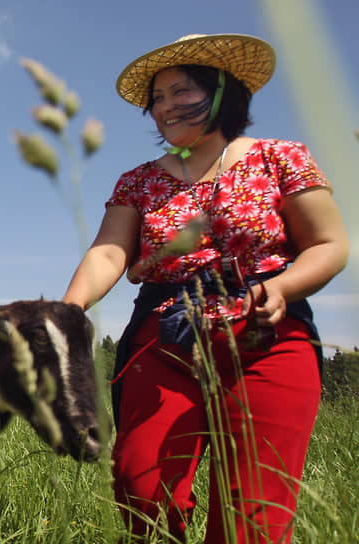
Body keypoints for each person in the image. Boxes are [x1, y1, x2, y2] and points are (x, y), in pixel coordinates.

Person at [62, 34, 348, 543]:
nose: (166, 106)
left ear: (223, 93)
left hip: (268, 339)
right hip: (166, 336)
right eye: (158, 98)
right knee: (140, 487)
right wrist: (69, 309)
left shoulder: (281, 158)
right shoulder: (140, 180)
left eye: (182, 91)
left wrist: (282, 287)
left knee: (253, 516)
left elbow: (329, 245)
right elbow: (110, 252)